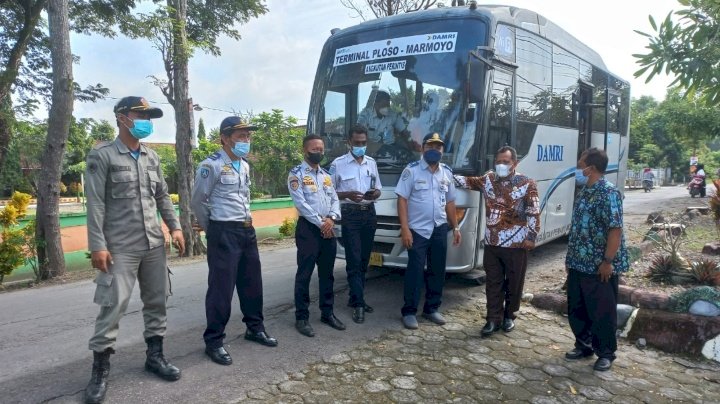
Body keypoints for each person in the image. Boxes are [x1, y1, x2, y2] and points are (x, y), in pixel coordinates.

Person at [83, 96, 185, 404]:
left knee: (157, 302)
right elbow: (96, 203)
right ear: (121, 117)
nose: (146, 120)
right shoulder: (102, 156)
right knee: (113, 306)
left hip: (153, 243)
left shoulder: (152, 157)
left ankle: (155, 356)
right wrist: (98, 245)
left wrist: (175, 226)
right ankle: (100, 371)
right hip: (119, 246)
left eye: (148, 116)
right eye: (139, 114)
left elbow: (163, 196)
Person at [191, 117, 278, 366]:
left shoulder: (245, 165)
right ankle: (214, 341)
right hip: (223, 232)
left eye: (248, 137)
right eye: (241, 136)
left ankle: (255, 328)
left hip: (247, 231)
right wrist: (212, 228)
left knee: (252, 283)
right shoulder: (211, 165)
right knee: (221, 288)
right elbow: (198, 201)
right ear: (225, 138)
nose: (246, 141)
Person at [454, 146, 540, 336]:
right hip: (492, 244)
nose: (501, 165)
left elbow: (533, 211)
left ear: (515, 163)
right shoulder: (488, 180)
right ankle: (493, 318)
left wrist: (531, 237)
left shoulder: (527, 183)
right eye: (499, 161)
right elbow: (465, 181)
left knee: (514, 283)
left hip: (516, 244)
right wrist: (442, 172)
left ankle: (509, 316)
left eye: (506, 162)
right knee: (493, 282)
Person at [564, 147, 629, 372]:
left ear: (591, 168)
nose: (578, 168)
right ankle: (584, 345)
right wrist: (570, 259)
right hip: (578, 263)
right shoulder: (586, 191)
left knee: (602, 311)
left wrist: (607, 261)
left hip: (598, 266)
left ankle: (606, 353)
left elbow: (615, 230)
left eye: (581, 164)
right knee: (577, 307)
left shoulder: (608, 193)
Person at [395, 132, 461, 330]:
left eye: (438, 147)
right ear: (422, 148)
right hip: (417, 230)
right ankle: (409, 311)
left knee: (437, 270)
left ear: (442, 150)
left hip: (439, 228)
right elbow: (402, 200)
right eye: (430, 146)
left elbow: (450, 202)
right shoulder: (412, 171)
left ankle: (431, 309)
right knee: (415, 271)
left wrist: (455, 226)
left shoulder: (446, 172)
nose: (434, 150)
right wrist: (405, 229)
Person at [288, 134, 345, 337]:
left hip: (328, 227)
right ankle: (302, 317)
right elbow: (301, 204)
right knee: (304, 274)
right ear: (305, 150)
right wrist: (323, 223)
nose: (318, 152)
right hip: (309, 231)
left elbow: (334, 199)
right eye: (314, 149)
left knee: (327, 274)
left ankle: (327, 313)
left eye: (321, 149)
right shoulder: (296, 175)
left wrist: (332, 218)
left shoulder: (326, 175)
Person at [329, 124, 382, 324]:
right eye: (357, 143)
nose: (361, 146)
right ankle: (359, 304)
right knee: (354, 259)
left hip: (369, 214)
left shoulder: (371, 163)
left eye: (364, 142)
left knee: (364, 260)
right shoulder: (338, 164)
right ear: (349, 143)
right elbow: (329, 191)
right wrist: (348, 194)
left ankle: (355, 298)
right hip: (350, 215)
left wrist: (374, 194)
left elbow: (378, 189)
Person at [357, 89, 409, 156]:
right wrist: (372, 147)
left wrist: (411, 144)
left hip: (391, 150)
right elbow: (358, 133)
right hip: (370, 151)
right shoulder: (366, 114)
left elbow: (405, 132)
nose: (387, 108)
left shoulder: (393, 115)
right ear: (375, 104)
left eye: (388, 106)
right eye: (384, 106)